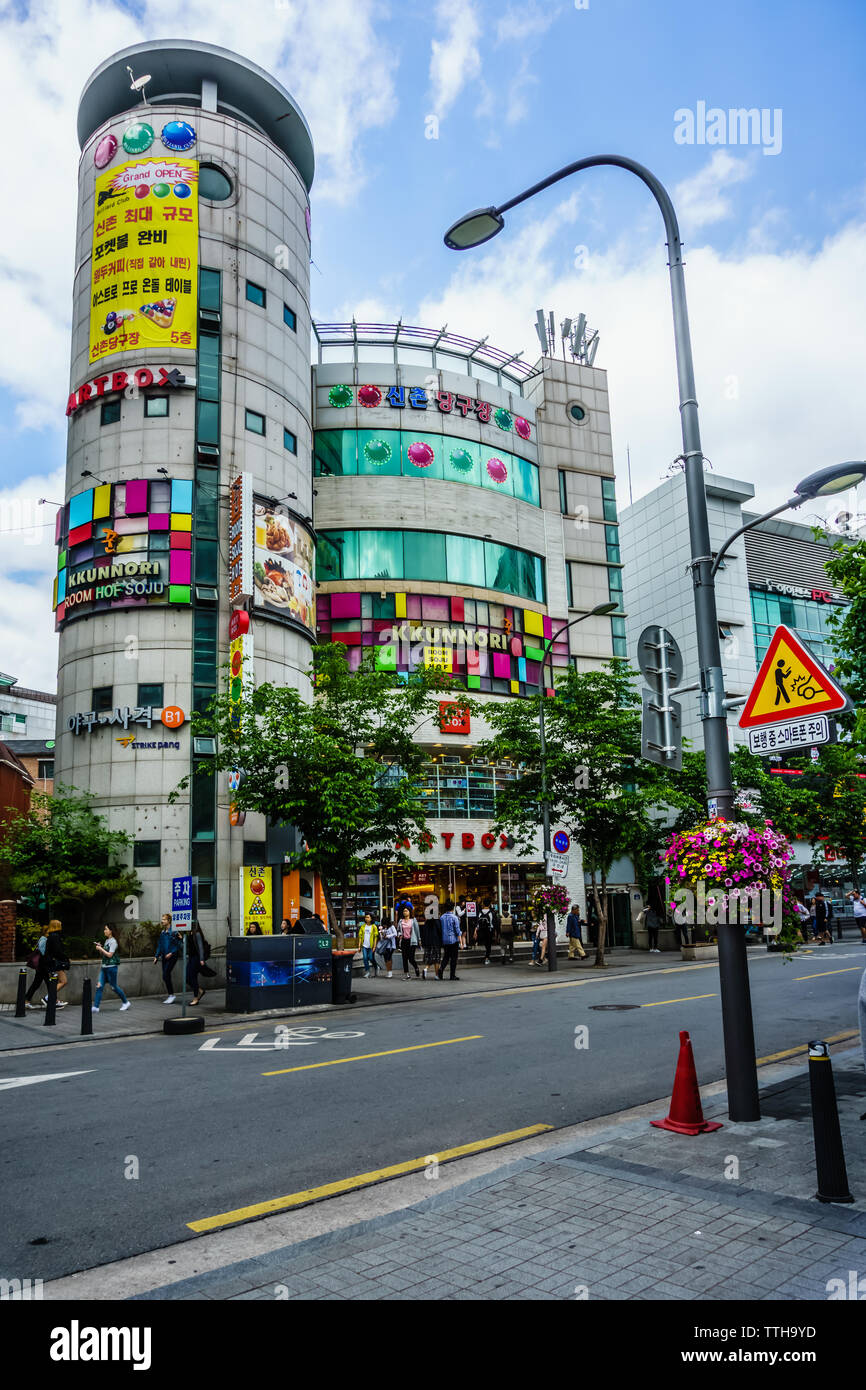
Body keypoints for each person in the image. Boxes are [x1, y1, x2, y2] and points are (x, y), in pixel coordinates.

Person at [91, 924, 130, 1012]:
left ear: (111, 931)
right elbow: (105, 954)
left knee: (114, 987)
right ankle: (96, 1007)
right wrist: (101, 947)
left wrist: (101, 949)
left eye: (106, 929)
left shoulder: (113, 942)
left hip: (111, 968)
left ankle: (125, 1002)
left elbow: (110, 955)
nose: (104, 931)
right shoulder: (107, 940)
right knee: (99, 986)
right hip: (104, 968)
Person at [153, 912, 181, 1003]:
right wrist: (156, 956)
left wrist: (172, 953)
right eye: (162, 919)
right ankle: (171, 995)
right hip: (164, 957)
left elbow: (179, 944)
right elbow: (160, 945)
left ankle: (171, 995)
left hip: (172, 957)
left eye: (164, 919)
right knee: (165, 976)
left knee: (165, 974)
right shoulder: (163, 932)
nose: (162, 921)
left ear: (169, 921)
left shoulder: (174, 931)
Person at [42, 920, 70, 1008]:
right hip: (56, 963)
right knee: (63, 981)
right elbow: (57, 951)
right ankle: (48, 998)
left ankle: (54, 1000)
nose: (61, 926)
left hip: (51, 962)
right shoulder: (55, 936)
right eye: (60, 924)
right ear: (57, 926)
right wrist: (65, 958)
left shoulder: (51, 936)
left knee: (55, 982)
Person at [187, 920, 213, 1005]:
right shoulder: (189, 934)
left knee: (193, 977)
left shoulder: (197, 934)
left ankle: (195, 998)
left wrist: (202, 959)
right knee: (187, 978)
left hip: (196, 958)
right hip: (191, 958)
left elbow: (201, 947)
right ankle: (200, 991)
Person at [25, 926, 50, 1008]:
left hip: (42, 965)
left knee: (37, 983)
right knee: (49, 983)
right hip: (43, 965)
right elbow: (43, 952)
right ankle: (53, 1000)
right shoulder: (44, 939)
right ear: (46, 931)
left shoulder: (43, 939)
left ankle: (26, 1000)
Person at [437, 899, 461, 981]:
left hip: (445, 940)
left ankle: (441, 970)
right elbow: (457, 931)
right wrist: (460, 941)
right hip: (453, 940)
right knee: (454, 958)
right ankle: (452, 975)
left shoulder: (442, 917)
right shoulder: (455, 917)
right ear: (453, 908)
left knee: (446, 957)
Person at [397, 906, 421, 979]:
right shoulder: (401, 921)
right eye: (404, 911)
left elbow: (417, 931)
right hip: (404, 941)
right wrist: (400, 934)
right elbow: (398, 930)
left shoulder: (413, 920)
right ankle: (407, 974)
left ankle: (416, 967)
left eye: (406, 911)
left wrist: (419, 940)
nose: (405, 912)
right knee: (404, 958)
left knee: (411, 958)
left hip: (412, 941)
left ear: (410, 912)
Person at [420, 908, 441, 980]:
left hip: (428, 943)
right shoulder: (437, 921)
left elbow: (424, 933)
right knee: (436, 959)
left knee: (430, 958)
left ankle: (426, 968)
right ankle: (436, 975)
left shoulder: (427, 922)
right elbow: (439, 931)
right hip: (436, 942)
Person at [359, 912, 380, 978]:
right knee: (365, 958)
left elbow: (375, 937)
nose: (366, 918)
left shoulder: (374, 927)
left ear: (371, 918)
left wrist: (374, 946)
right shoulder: (363, 926)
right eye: (366, 917)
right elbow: (360, 937)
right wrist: (359, 946)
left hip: (371, 946)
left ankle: (376, 967)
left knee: (371, 958)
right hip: (364, 945)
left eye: (368, 917)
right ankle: (367, 972)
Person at [378, 912, 397, 978]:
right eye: (383, 924)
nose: (384, 925)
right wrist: (381, 933)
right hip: (385, 946)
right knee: (386, 958)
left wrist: (388, 936)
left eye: (385, 924)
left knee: (388, 958)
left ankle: (390, 972)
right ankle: (389, 971)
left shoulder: (392, 927)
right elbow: (381, 938)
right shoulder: (384, 928)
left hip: (391, 946)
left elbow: (395, 934)